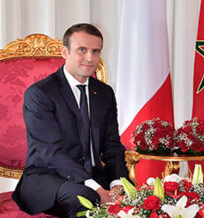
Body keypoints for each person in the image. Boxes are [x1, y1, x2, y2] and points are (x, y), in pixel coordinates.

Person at [12, 23, 129, 218]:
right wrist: (97, 190)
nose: (90, 58)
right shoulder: (40, 94)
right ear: (64, 52)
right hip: (47, 178)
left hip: (93, 175)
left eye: (95, 51)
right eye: (82, 50)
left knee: (132, 194)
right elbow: (52, 153)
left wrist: (117, 183)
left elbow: (112, 145)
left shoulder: (104, 93)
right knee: (85, 198)